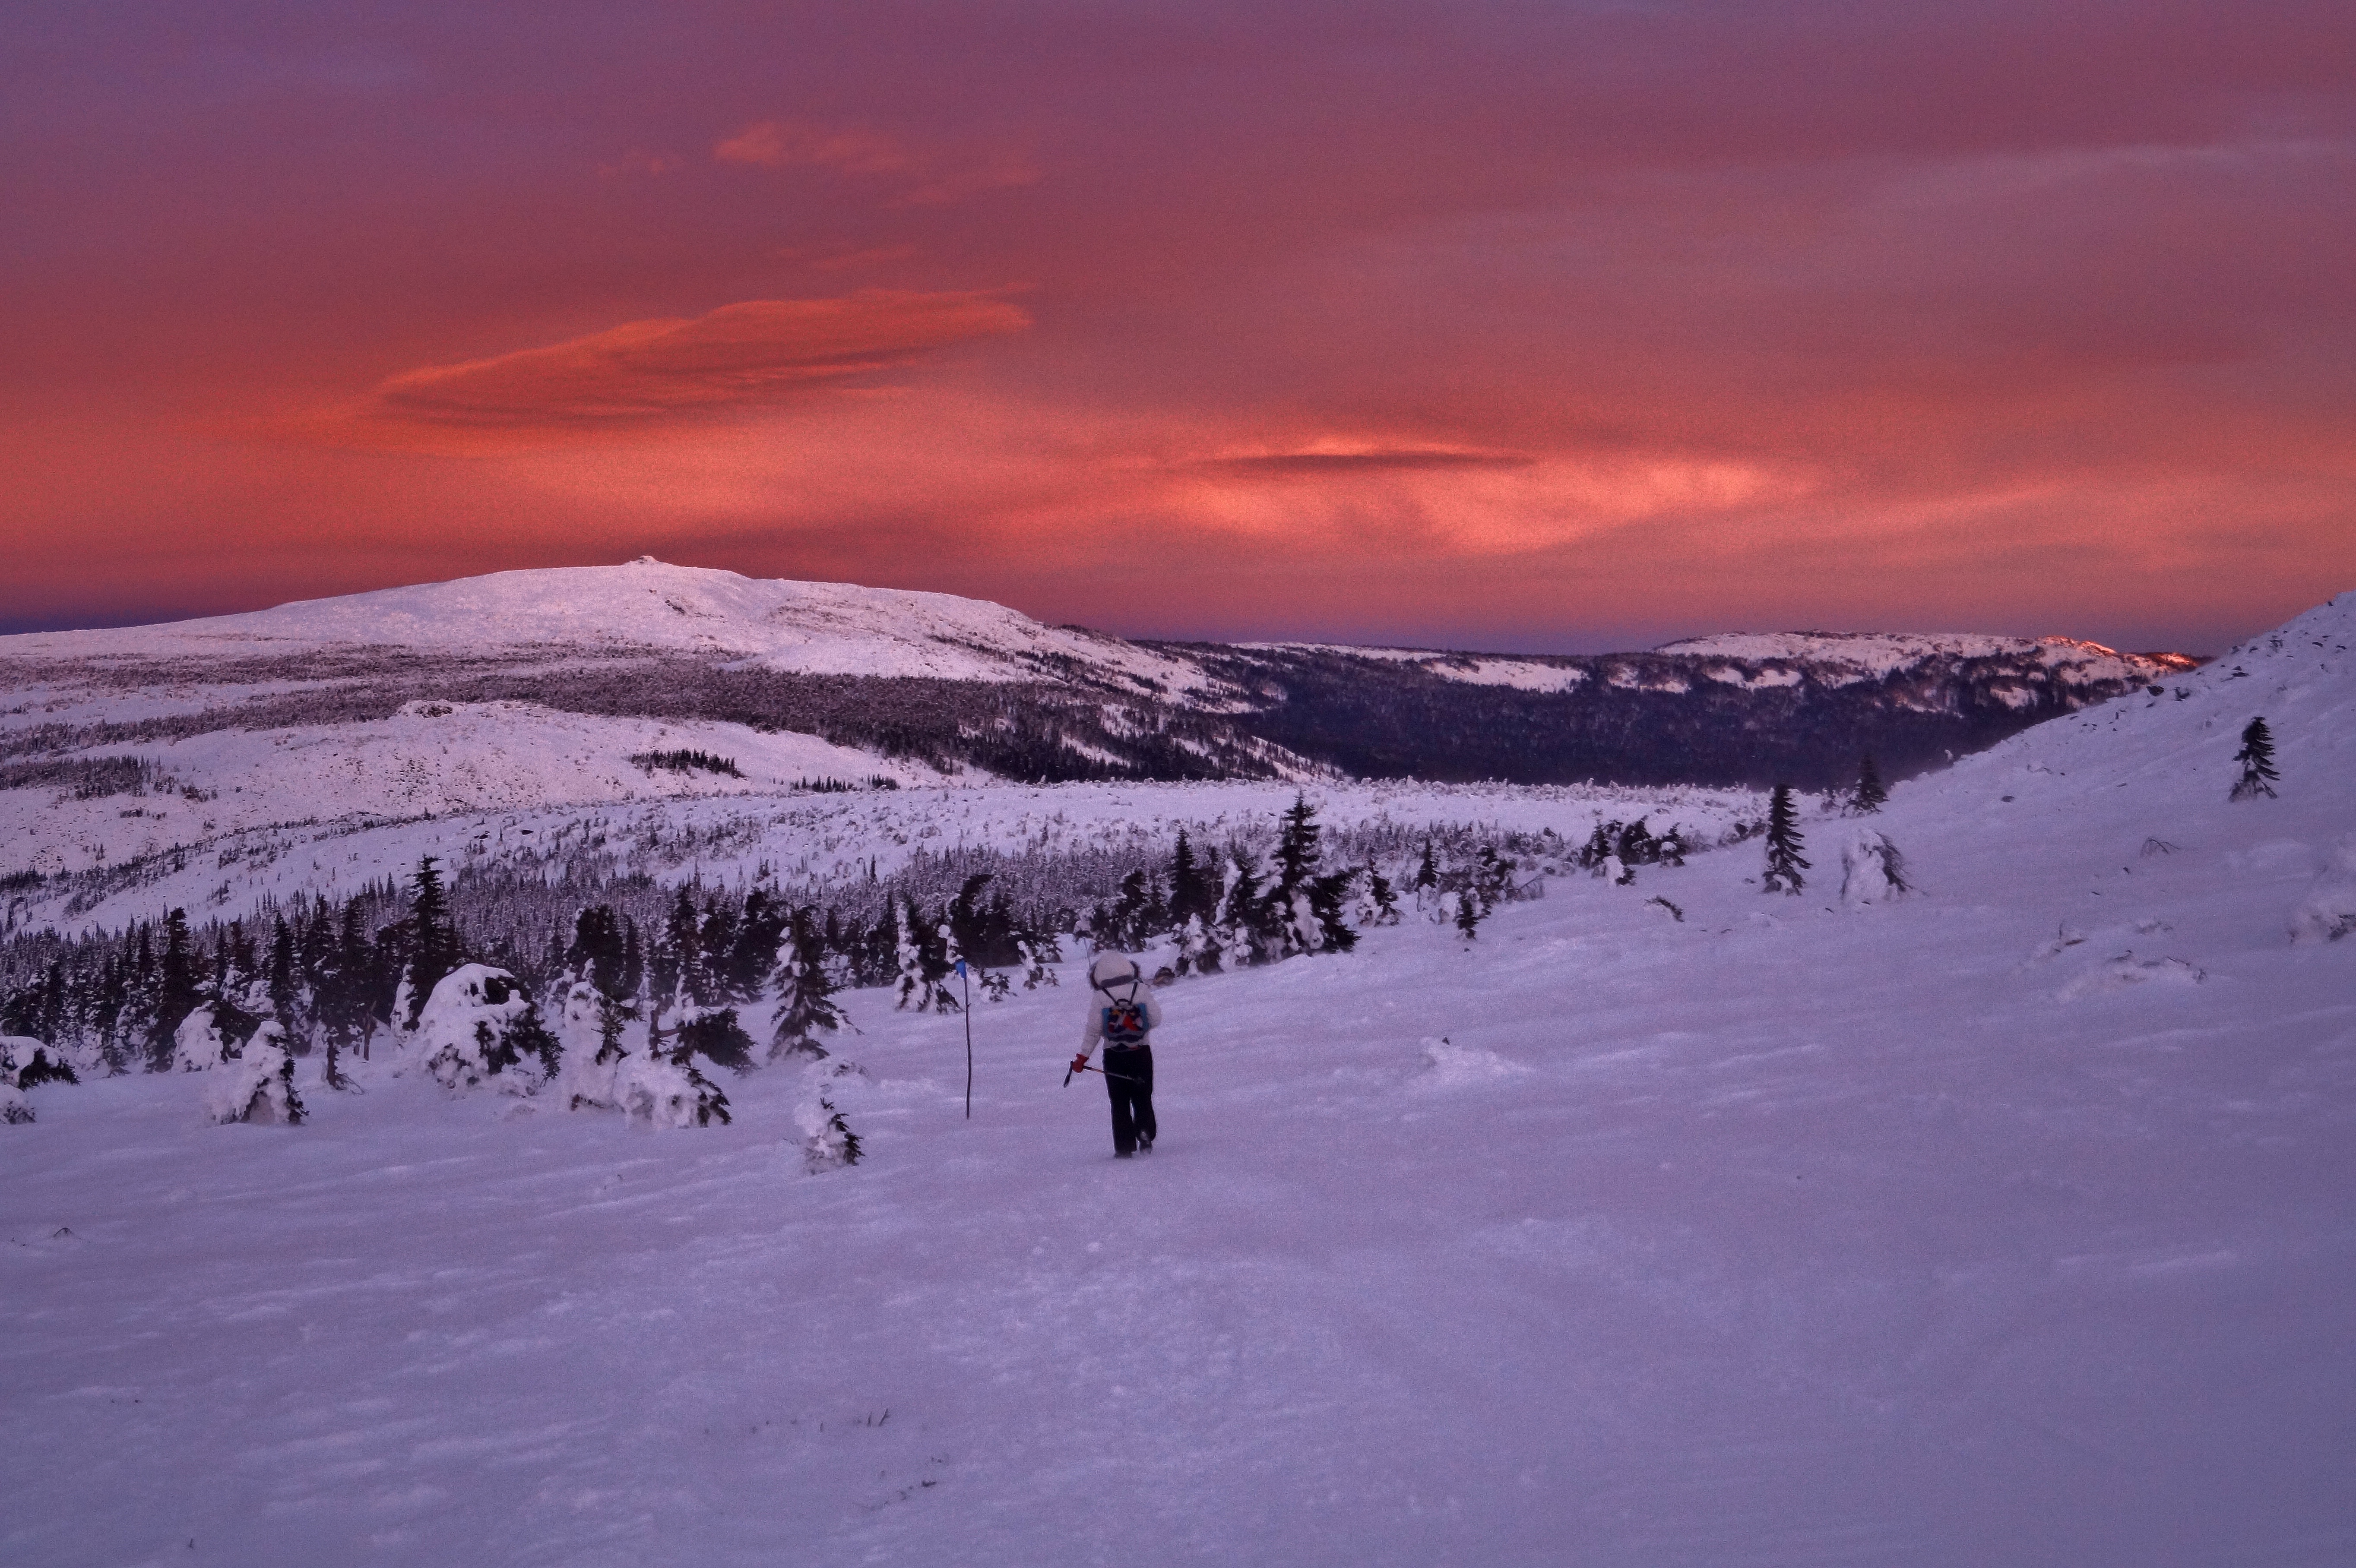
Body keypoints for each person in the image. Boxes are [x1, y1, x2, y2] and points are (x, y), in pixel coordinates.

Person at [1072, 951, 1161, 1158]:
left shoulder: (1101, 997)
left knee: (1119, 1102)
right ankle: (1145, 1133)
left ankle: (1124, 1148)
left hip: (1114, 1056)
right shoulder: (1141, 989)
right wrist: (1139, 1028)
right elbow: (1156, 1019)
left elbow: (1094, 1031)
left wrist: (1082, 1058)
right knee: (1143, 1096)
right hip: (1141, 1053)